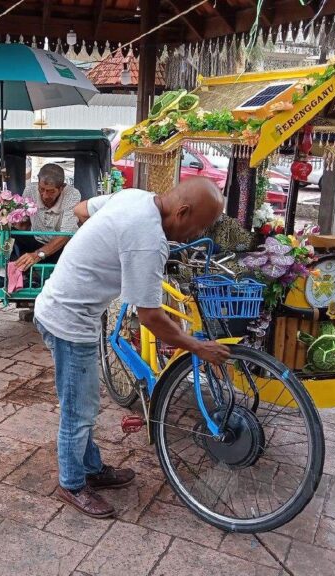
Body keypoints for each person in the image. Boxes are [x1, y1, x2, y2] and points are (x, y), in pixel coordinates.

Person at [33, 176, 231, 519]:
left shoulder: (137, 197)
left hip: (64, 308)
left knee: (83, 400)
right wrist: (198, 348)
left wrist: (102, 246)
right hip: (67, 320)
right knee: (78, 409)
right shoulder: (148, 239)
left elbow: (81, 210)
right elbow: (151, 318)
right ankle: (73, 482)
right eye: (197, 227)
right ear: (182, 212)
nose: (195, 237)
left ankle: (90, 467)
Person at [12, 163, 81, 272]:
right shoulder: (30, 191)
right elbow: (23, 223)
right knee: (11, 233)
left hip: (62, 248)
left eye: (51, 191)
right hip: (36, 241)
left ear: (62, 188)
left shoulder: (72, 195)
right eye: (41, 189)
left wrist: (37, 255)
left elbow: (67, 233)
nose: (44, 195)